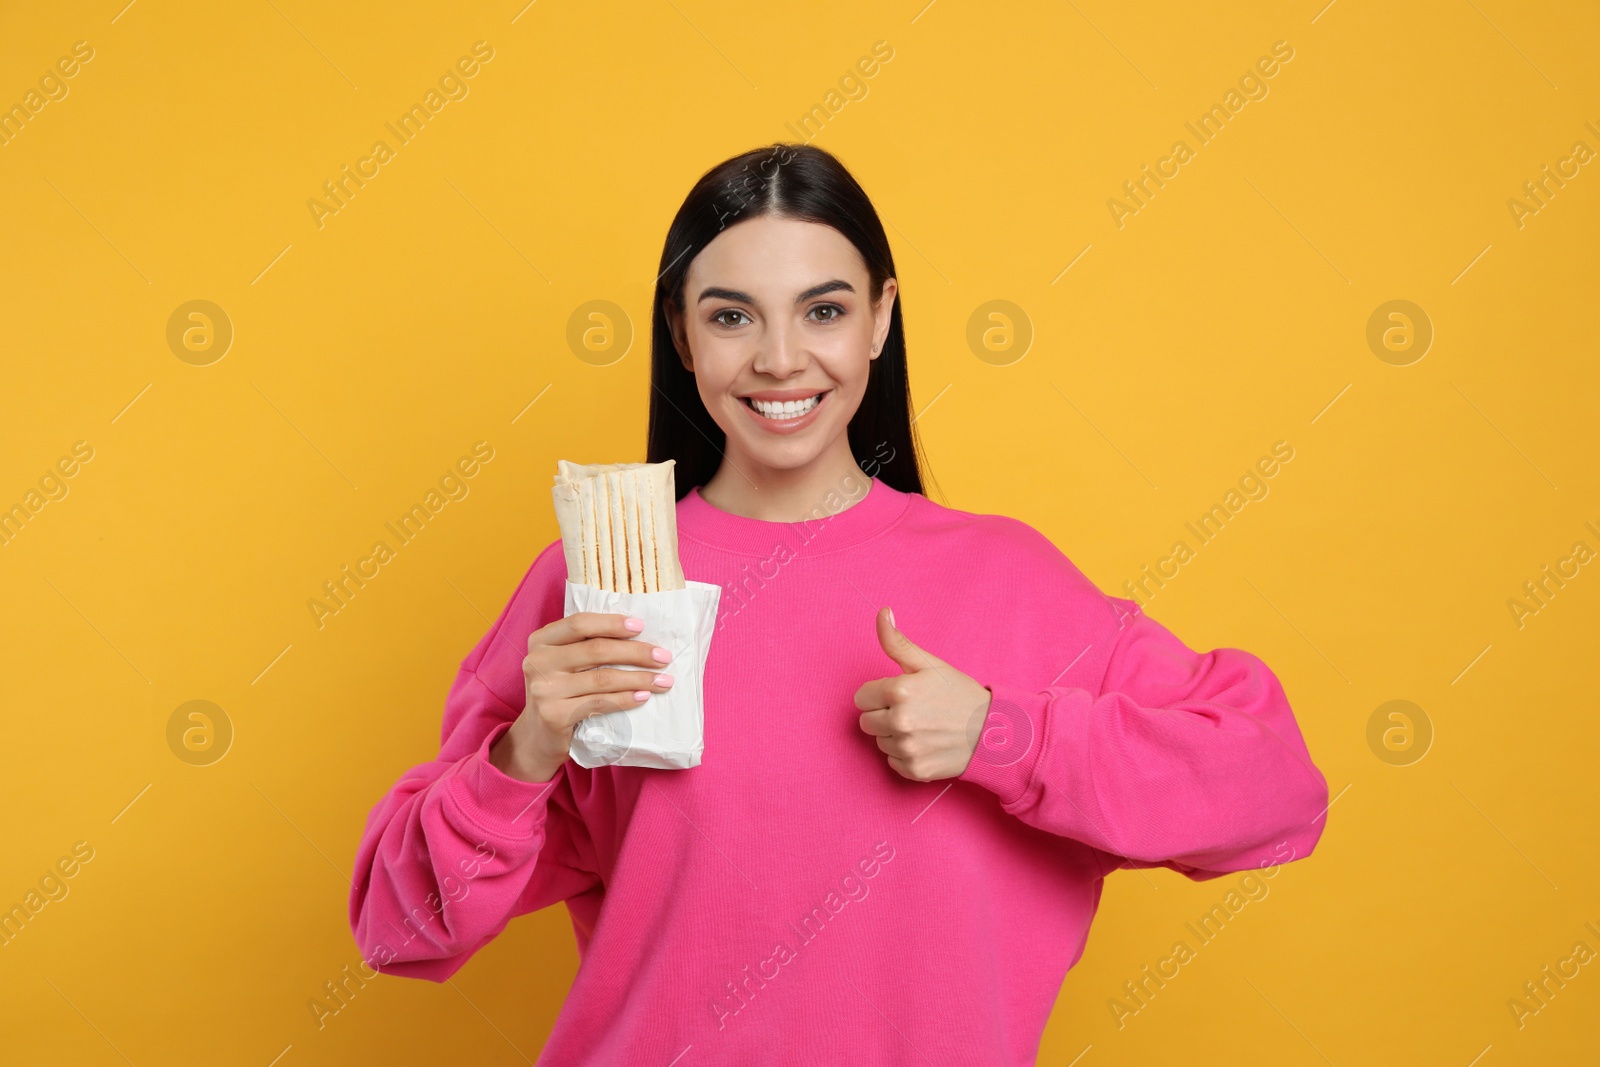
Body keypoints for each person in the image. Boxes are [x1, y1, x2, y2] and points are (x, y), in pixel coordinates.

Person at [348, 142, 1330, 1064]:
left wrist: (1009, 736)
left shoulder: (1009, 578)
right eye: (732, 315)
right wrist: (522, 754)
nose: (780, 359)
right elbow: (398, 930)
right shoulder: (599, 584)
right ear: (681, 333)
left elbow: (1276, 788)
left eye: (822, 311)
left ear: (880, 316)